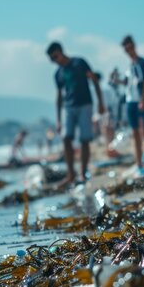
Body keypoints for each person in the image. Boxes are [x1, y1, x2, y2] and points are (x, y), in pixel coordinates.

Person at [46, 42, 105, 185]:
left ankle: (83, 173)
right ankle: (71, 174)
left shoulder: (80, 62)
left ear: (61, 51)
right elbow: (59, 96)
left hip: (85, 104)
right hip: (68, 107)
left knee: (85, 139)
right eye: (52, 59)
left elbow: (94, 81)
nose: (55, 61)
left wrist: (100, 102)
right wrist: (58, 119)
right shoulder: (58, 73)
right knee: (66, 138)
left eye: (55, 57)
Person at [113, 36, 144, 175]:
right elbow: (128, 83)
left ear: (134, 46)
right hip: (130, 101)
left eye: (130, 47)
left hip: (140, 101)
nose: (128, 51)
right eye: (126, 49)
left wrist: (143, 99)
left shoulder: (142, 63)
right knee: (135, 133)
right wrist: (116, 80)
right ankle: (139, 163)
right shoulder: (130, 66)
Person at [94, 72, 119, 157]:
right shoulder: (104, 88)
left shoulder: (103, 88)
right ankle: (110, 149)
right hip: (106, 112)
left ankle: (111, 149)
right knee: (106, 131)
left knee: (108, 131)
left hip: (107, 111)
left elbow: (110, 102)